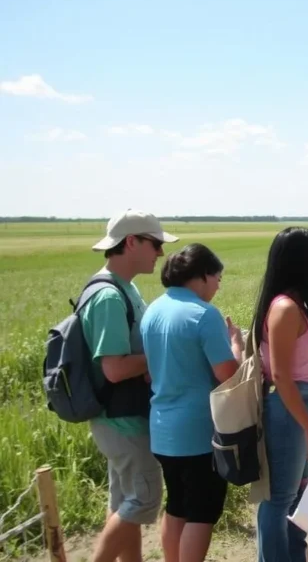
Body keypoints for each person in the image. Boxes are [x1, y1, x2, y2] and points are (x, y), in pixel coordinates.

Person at [141, 244, 244, 562]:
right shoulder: (204, 314)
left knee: (177, 505)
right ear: (202, 276)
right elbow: (228, 375)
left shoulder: (153, 311)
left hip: (161, 429)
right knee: (202, 511)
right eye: (217, 278)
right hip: (198, 432)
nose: (217, 285)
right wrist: (237, 345)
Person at [84, 209, 177, 562]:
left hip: (120, 416)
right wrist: (162, 356)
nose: (161, 253)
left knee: (126, 502)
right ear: (132, 242)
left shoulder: (125, 288)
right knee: (145, 499)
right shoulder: (109, 297)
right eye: (155, 244)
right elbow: (114, 368)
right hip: (121, 419)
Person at [254, 227, 308, 562]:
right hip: (291, 409)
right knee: (280, 498)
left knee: (300, 494)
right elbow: (282, 376)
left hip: (303, 405)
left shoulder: (299, 303)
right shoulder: (285, 308)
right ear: (305, 260)